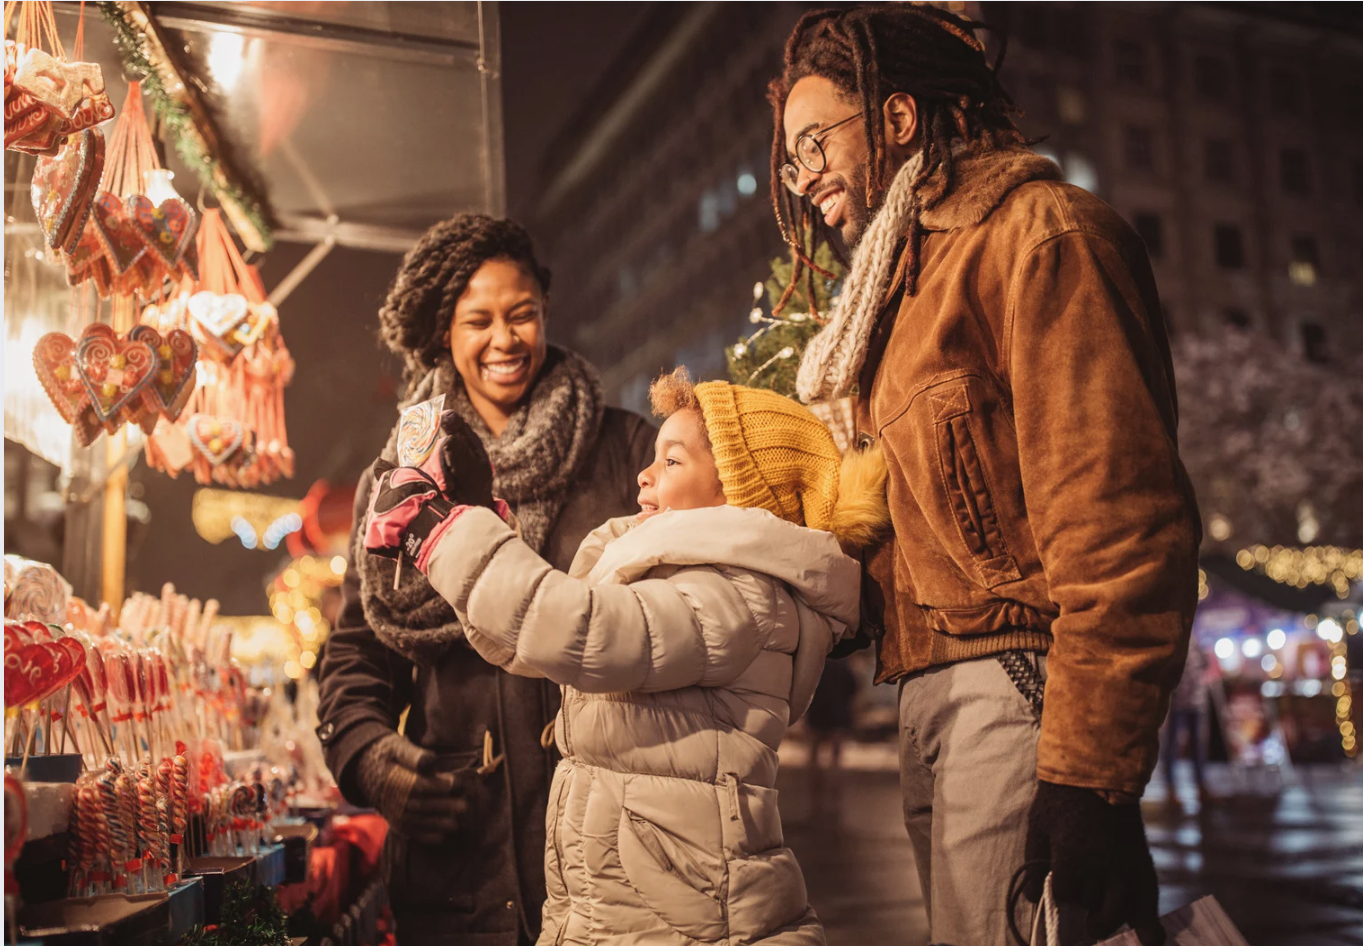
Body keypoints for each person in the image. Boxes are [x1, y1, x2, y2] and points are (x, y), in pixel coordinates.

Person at [769, 7, 1202, 945]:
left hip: (1016, 689)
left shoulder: (1039, 237)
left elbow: (1119, 522)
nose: (801, 179)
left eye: (814, 143)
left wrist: (1087, 774)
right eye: (787, 158)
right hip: (929, 698)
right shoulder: (899, 290)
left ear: (895, 118)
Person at [361, 369, 892, 946]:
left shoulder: (735, 594)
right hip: (630, 903)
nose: (645, 473)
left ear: (738, 493)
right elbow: (526, 639)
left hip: (690, 914)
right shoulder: (676, 575)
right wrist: (467, 520)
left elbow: (582, 630)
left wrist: (440, 533)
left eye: (672, 462)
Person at [315, 215, 654, 946]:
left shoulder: (627, 452)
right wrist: (370, 759)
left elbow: (676, 618)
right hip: (458, 866)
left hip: (615, 851)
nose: (505, 340)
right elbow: (356, 655)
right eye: (479, 321)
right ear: (444, 335)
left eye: (521, 313)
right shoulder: (398, 481)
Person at [1161, 639, 1214, 814]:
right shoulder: (1173, 638)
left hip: (1196, 701)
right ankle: (1171, 789)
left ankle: (1200, 786)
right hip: (1177, 702)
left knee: (1197, 746)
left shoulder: (1196, 641)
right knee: (1172, 746)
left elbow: (1205, 664)